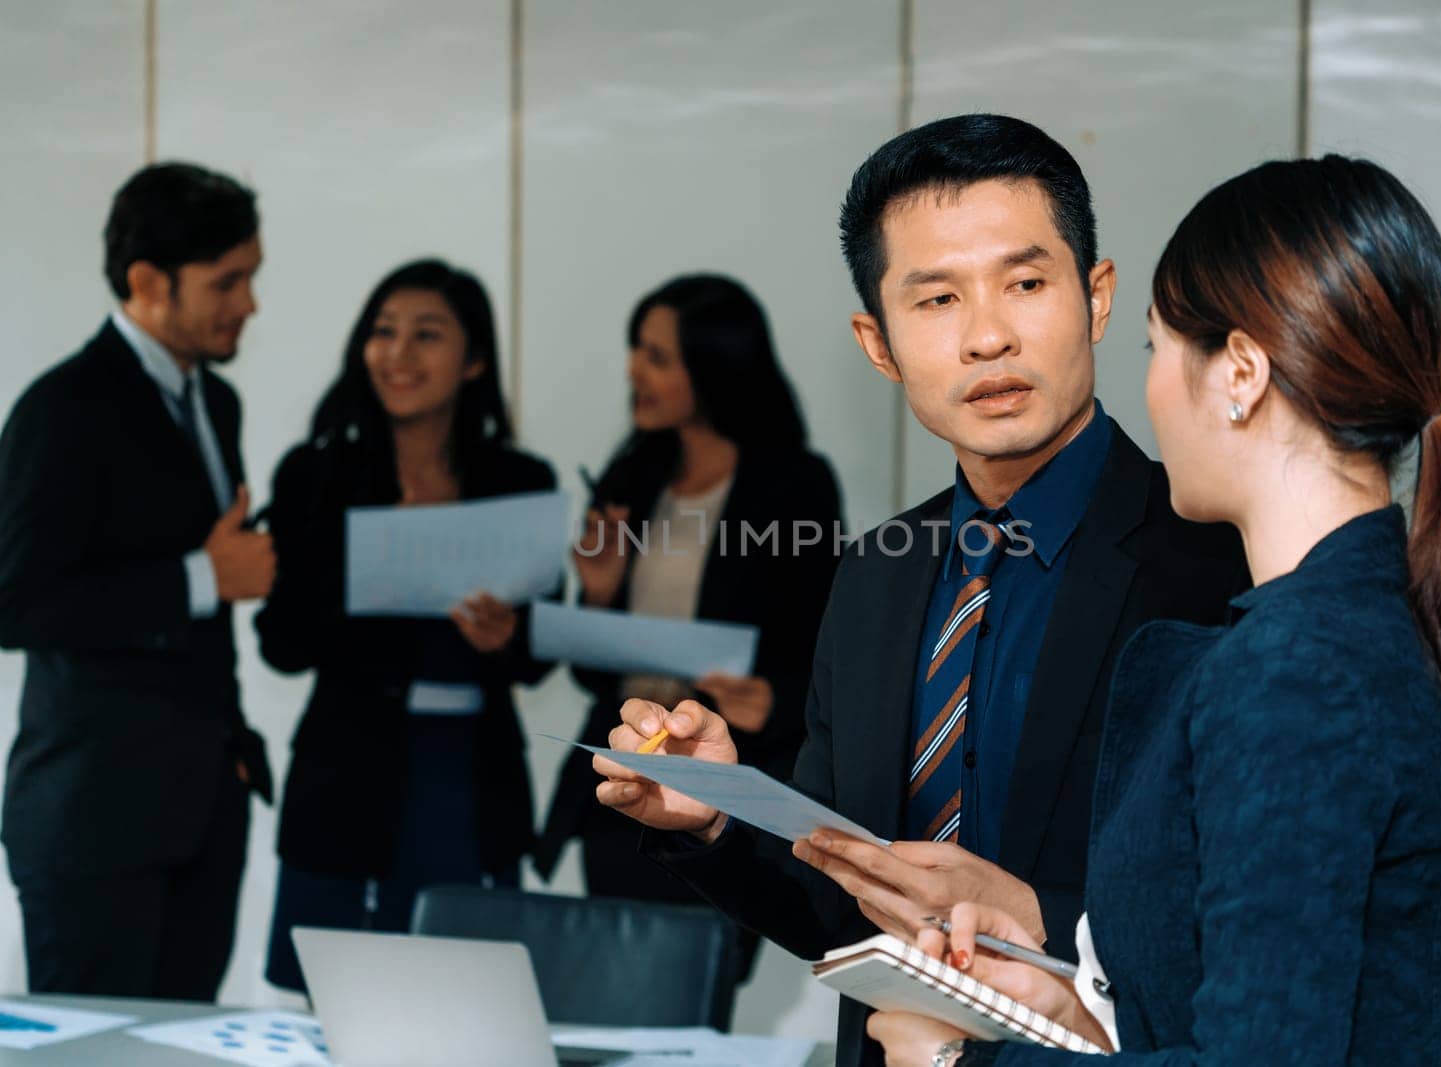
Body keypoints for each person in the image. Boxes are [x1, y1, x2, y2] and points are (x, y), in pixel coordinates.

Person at [867, 156, 1441, 1065]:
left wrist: (966, 1060)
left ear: (1239, 372)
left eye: (1158, 347)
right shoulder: (1354, 626)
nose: (1152, 386)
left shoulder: (1296, 665)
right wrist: (1072, 1015)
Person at [593, 116, 1247, 1067]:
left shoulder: (1213, 563)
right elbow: (839, 906)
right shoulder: (876, 571)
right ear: (879, 342)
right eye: (936, 299)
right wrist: (719, 812)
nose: (988, 336)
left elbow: (1269, 921)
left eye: (1027, 283)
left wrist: (1039, 919)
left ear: (1097, 298)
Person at [0, 162, 274, 999]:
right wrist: (203, 576)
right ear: (148, 281)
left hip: (200, 810)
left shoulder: (216, 402)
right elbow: (17, 603)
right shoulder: (62, 407)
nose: (250, 304)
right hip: (92, 817)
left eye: (252, 277)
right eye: (227, 282)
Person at [254, 259, 557, 992]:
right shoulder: (315, 474)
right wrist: (368, 562)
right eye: (382, 333)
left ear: (474, 358)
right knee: (336, 995)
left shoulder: (518, 481)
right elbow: (280, 641)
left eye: (427, 335)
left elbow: (538, 651)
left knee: (467, 993)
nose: (398, 354)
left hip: (470, 772)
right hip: (346, 771)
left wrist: (505, 635)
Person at [541, 273, 843, 915]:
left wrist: (777, 699)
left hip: (722, 782)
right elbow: (594, 673)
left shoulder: (793, 485)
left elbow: (825, 648)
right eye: (634, 351)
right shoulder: (631, 476)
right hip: (624, 772)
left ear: (715, 368)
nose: (634, 372)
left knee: (700, 973)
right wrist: (596, 597)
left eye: (656, 357)